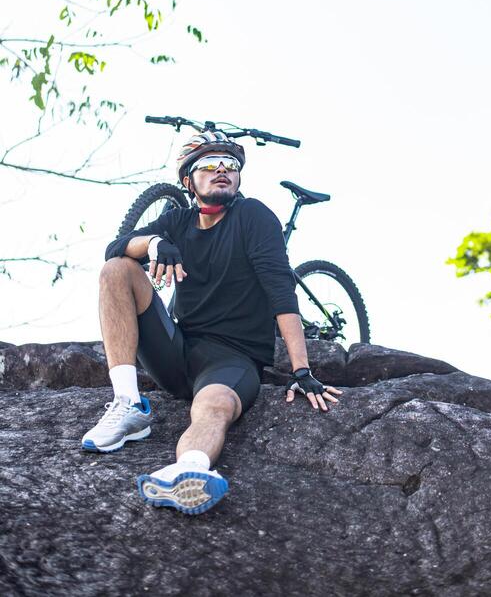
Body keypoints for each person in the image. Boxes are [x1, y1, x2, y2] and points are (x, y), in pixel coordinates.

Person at [82, 130, 342, 515]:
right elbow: (115, 248)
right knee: (116, 270)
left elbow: (280, 290)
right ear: (188, 180)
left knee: (214, 406)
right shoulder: (176, 221)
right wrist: (153, 243)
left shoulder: (253, 216)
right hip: (178, 351)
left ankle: (187, 472)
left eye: (231, 165)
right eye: (208, 164)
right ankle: (129, 404)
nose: (222, 169)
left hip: (232, 361)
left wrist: (302, 369)